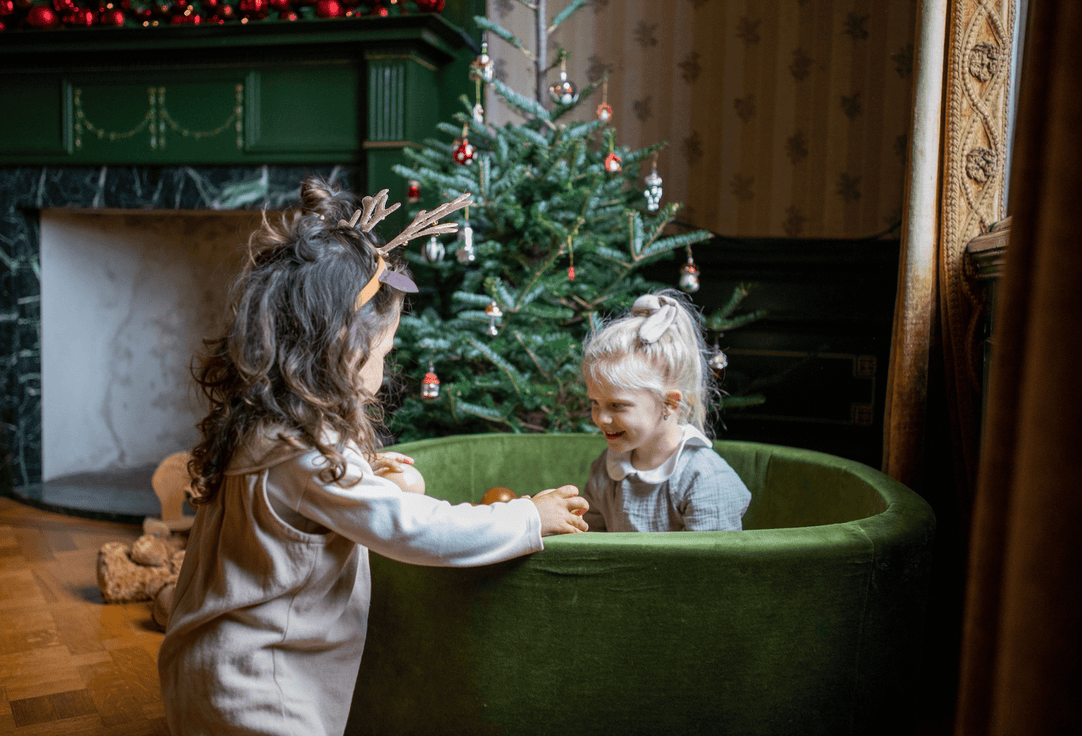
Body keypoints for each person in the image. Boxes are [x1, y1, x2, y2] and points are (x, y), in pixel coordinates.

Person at [157, 177, 588, 736]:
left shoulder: (265, 427)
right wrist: (528, 516)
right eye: (384, 350)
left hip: (208, 669)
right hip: (263, 692)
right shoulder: (310, 457)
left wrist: (367, 477)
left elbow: (298, 509)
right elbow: (415, 530)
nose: (385, 366)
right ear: (344, 348)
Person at [580, 290, 751, 532]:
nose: (601, 418)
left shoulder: (705, 478)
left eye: (617, 405)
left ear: (670, 403)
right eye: (595, 402)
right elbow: (589, 543)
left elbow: (714, 565)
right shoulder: (607, 468)